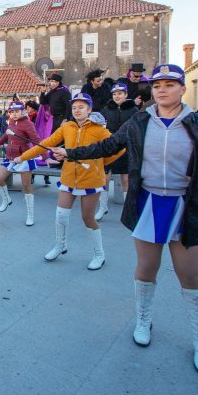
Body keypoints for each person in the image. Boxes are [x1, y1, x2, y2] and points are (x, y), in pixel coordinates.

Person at [53, 64, 198, 375]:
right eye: (157, 85)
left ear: (183, 89)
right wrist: (71, 154)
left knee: (190, 275)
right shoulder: (140, 121)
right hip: (148, 204)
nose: (162, 90)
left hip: (185, 206)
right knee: (145, 268)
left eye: (170, 84)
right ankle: (143, 320)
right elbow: (108, 146)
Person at [15, 93, 124, 269]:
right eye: (74, 107)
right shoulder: (67, 127)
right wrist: (23, 157)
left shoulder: (99, 129)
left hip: (91, 180)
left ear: (89, 109)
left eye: (81, 107)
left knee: (88, 218)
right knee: (61, 215)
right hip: (68, 178)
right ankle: (60, 245)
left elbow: (118, 148)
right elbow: (46, 143)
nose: (77, 110)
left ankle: (99, 254)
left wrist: (100, 163)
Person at [96, 83, 138, 221]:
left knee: (126, 179)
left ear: (126, 95)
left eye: (120, 93)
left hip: (126, 148)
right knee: (104, 178)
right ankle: (103, 207)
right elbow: (99, 125)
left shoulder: (134, 110)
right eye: (114, 94)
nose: (117, 96)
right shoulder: (107, 109)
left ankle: (127, 211)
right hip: (110, 147)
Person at [0, 101, 41, 226]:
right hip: (10, 156)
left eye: (17, 111)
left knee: (26, 186)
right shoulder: (11, 122)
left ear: (23, 111)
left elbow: (37, 141)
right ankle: (6, 200)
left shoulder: (28, 124)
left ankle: (30, 215)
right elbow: (7, 134)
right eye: (12, 112)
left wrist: (46, 157)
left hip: (24, 158)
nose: (14, 114)